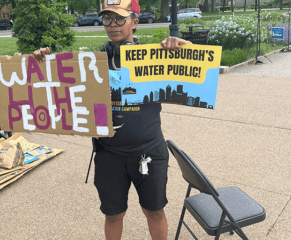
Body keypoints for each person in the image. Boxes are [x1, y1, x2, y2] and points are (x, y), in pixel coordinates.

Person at [33, 0, 191, 238]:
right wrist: (43, 62)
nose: (112, 24)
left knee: (155, 212)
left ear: (134, 22)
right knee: (113, 215)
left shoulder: (155, 57)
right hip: (109, 154)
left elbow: (198, 66)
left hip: (148, 151)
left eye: (119, 18)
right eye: (107, 19)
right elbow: (59, 83)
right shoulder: (93, 61)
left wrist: (183, 44)